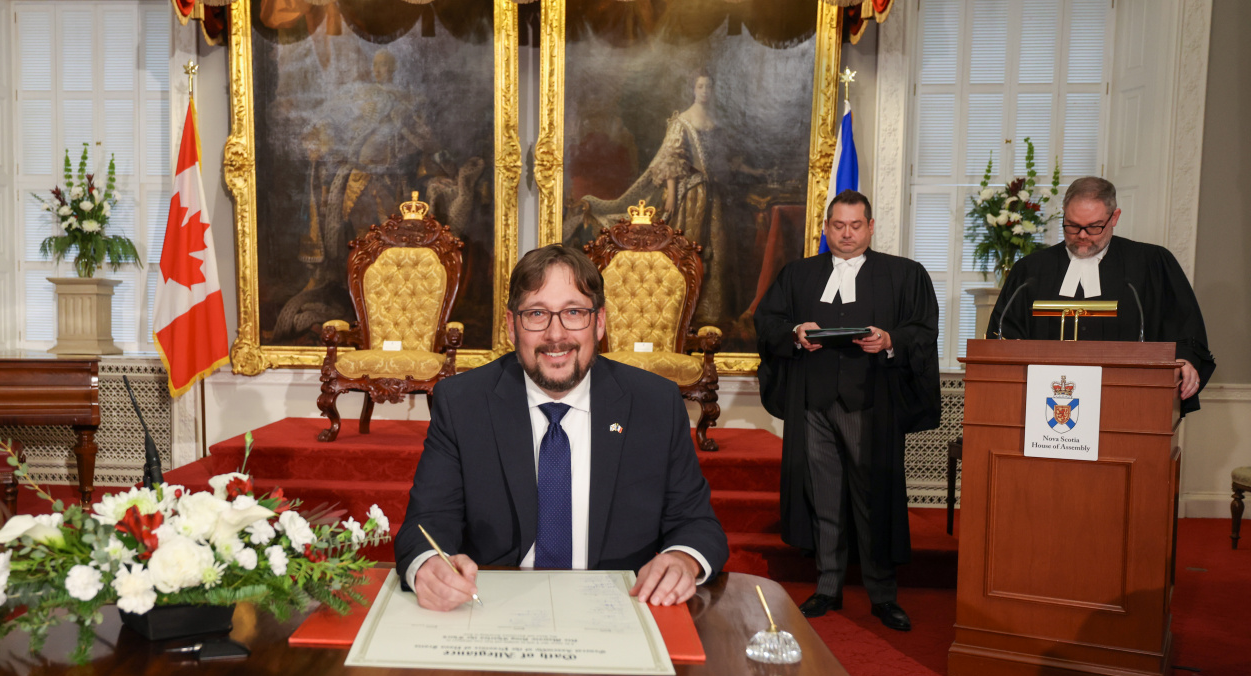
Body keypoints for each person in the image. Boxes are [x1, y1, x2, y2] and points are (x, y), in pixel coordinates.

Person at [394, 245, 729, 611]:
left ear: (599, 322)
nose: (556, 335)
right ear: (511, 325)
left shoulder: (655, 404)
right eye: (537, 313)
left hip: (620, 605)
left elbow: (697, 524)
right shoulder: (463, 402)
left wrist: (684, 559)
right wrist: (428, 564)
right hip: (494, 607)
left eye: (573, 312)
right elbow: (427, 522)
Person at [754, 190, 940, 631]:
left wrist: (890, 339)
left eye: (856, 226)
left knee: (873, 497)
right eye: (838, 225)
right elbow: (767, 322)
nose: (847, 234)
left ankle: (882, 595)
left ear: (871, 227)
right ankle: (827, 586)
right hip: (813, 403)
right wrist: (796, 332)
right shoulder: (799, 274)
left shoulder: (904, 274)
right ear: (826, 227)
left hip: (869, 405)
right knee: (824, 498)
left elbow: (923, 328)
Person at [987, 176, 1215, 415]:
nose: (1082, 235)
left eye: (1094, 226)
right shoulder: (1030, 270)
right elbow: (1003, 335)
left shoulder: (1151, 264)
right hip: (1044, 408)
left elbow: (1184, 328)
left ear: (1114, 218)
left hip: (1131, 406)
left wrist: (1185, 361)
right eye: (1072, 225)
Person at [570, 70, 768, 325]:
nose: (705, 91)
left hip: (715, 197)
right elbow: (673, 160)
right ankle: (681, 313)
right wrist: (672, 195)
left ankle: (711, 314)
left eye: (709, 86)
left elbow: (727, 161)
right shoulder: (682, 121)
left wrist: (755, 171)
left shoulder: (717, 122)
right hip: (691, 196)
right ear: (693, 90)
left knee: (717, 251)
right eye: (700, 86)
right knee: (689, 248)